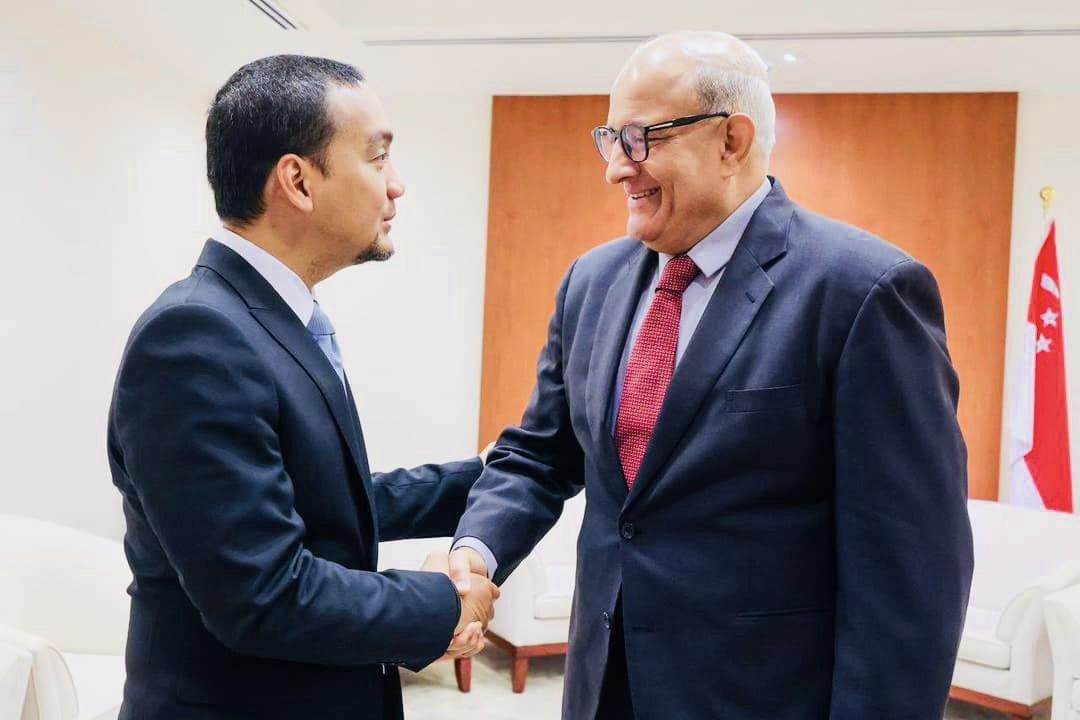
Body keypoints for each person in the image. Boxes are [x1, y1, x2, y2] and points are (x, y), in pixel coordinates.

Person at [450, 31, 973, 719]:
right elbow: (542, 455)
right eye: (609, 138)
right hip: (602, 689)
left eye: (640, 139)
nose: (616, 168)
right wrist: (478, 548)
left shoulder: (863, 292)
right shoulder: (591, 282)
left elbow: (910, 571)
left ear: (732, 140)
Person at [107, 55, 498, 720]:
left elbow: (323, 502)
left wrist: (487, 476)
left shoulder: (270, 319)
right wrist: (443, 602)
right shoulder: (194, 336)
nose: (396, 185)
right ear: (298, 181)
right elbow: (263, 595)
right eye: (378, 158)